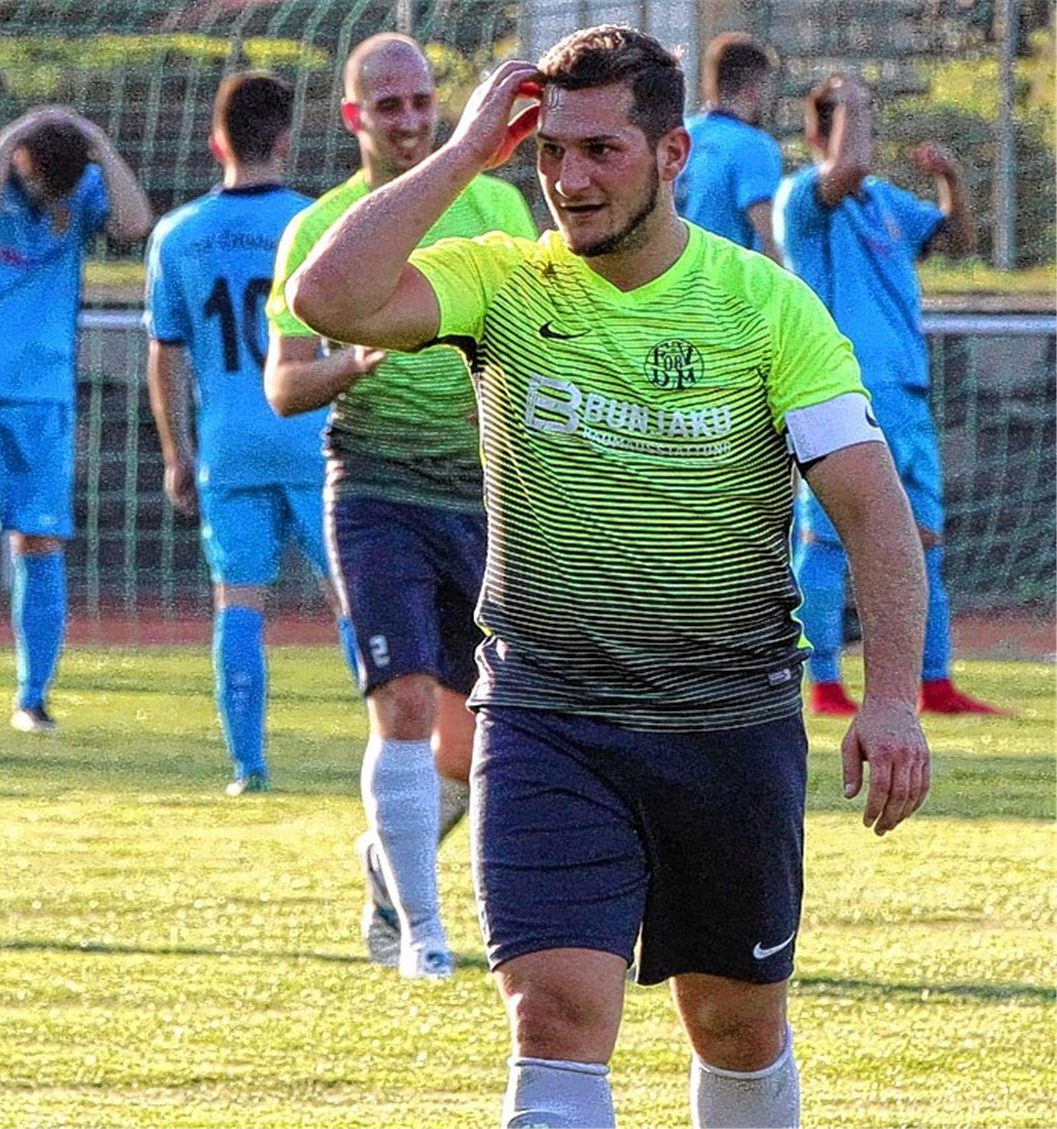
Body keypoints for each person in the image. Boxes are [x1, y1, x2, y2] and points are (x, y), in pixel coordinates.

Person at [286, 24, 933, 1128]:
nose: (570, 181)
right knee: (553, 1019)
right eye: (550, 152)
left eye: (601, 152)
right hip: (549, 719)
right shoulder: (501, 282)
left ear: (673, 153)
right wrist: (462, 153)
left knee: (735, 1027)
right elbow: (328, 301)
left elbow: (873, 512)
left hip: (728, 723)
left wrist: (891, 698)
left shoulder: (763, 305)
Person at [264, 32, 537, 980]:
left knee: (480, 742)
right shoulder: (321, 231)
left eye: (423, 101)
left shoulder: (498, 203)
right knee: (406, 704)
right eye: (389, 106)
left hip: (487, 501)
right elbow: (286, 388)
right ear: (354, 119)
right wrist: (356, 359)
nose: (411, 120)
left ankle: (389, 859)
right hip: (376, 492)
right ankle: (423, 935)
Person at [144, 73, 354, 796]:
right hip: (311, 431)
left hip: (228, 442)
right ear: (286, 139)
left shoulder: (177, 234)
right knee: (350, 597)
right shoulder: (318, 220)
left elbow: (164, 352)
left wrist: (177, 454)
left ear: (215, 140)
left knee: (239, 601)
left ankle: (249, 766)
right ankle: (394, 737)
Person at [0, 106, 151, 731]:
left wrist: (100, 144)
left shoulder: (86, 185)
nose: (57, 195)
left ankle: (32, 697)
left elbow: (135, 223)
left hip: (41, 392)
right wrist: (9, 139)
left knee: (38, 542)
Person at [773, 74, 999, 716]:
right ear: (824, 128)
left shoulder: (885, 203)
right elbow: (851, 163)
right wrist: (853, 99)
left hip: (906, 387)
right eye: (849, 114)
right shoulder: (803, 198)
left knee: (924, 536)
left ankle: (935, 681)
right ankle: (822, 682)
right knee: (825, 541)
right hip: (839, 388)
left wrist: (951, 177)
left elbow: (958, 238)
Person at [675, 31, 783, 262]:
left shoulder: (678, 135)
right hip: (723, 286)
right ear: (753, 90)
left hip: (672, 281)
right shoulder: (753, 146)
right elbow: (768, 236)